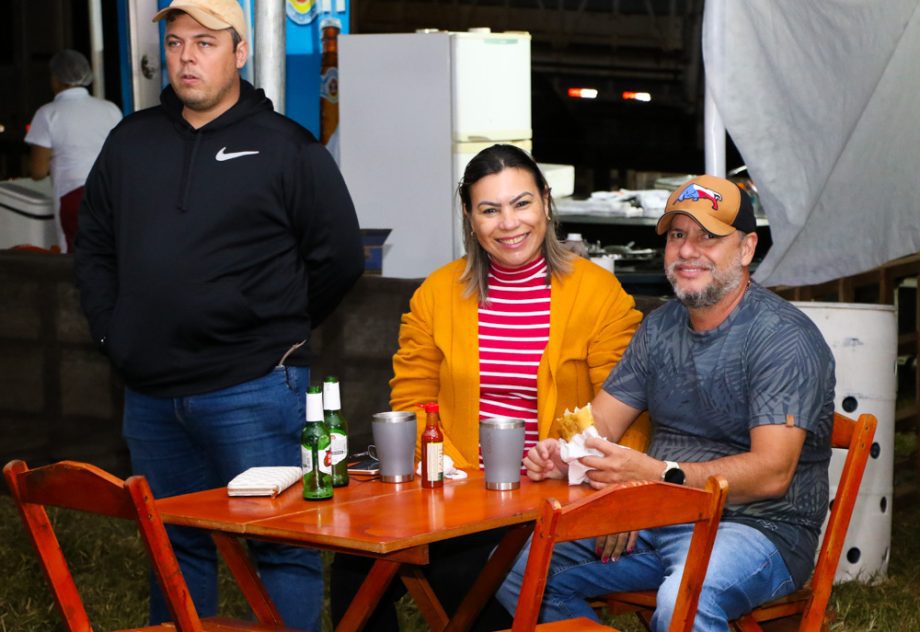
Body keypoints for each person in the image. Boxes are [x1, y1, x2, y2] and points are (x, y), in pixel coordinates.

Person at [73, 0, 364, 629]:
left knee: (283, 544)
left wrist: (272, 325)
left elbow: (339, 256)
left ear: (240, 52)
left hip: (254, 389)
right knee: (173, 544)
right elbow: (93, 241)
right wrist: (110, 329)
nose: (186, 58)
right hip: (151, 394)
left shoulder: (287, 147)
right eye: (176, 44)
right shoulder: (131, 140)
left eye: (205, 43)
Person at [331, 143, 650, 630]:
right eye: (490, 209)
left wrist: (620, 494)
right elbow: (412, 398)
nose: (509, 223)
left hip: (553, 495)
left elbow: (629, 404)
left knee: (465, 572)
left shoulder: (599, 294)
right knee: (356, 566)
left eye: (521, 203)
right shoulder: (437, 294)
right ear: (469, 215)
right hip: (456, 494)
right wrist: (453, 483)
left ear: (545, 201)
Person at [497, 174, 836, 631]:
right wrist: (565, 454)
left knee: (685, 600)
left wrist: (658, 479)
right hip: (659, 517)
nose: (688, 251)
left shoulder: (782, 339)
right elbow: (600, 424)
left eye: (708, 237)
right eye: (677, 235)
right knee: (514, 569)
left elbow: (772, 473)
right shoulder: (661, 328)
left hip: (758, 529)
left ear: (747, 248)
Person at [25, 49, 122, 252]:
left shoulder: (48, 113)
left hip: (75, 197)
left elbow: (38, 171)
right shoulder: (110, 109)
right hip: (112, 194)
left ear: (55, 79)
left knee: (78, 263)